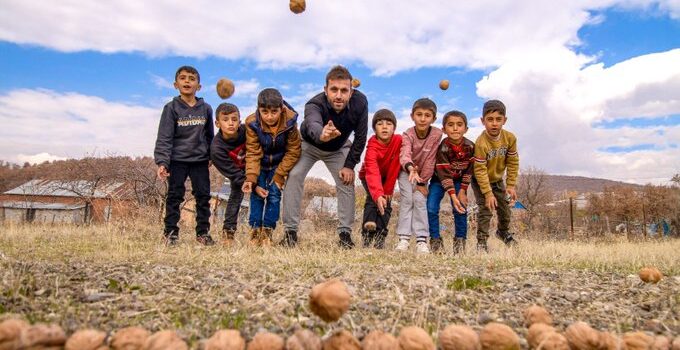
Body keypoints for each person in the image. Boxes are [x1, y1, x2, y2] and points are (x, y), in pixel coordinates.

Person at [281, 65, 368, 248]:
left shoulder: (360, 103)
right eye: (334, 89)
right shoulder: (314, 104)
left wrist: (349, 165)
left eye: (344, 90)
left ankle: (345, 234)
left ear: (351, 91)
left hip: (339, 147)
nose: (338, 95)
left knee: (346, 179)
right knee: (294, 175)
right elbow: (312, 122)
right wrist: (322, 133)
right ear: (325, 90)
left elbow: (360, 137)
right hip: (310, 144)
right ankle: (290, 232)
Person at [154, 65, 215, 246]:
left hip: (199, 161)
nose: (187, 81)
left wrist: (211, 154)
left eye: (191, 78)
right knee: (174, 196)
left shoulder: (206, 108)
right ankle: (170, 233)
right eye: (183, 78)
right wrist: (163, 162)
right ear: (175, 84)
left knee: (203, 197)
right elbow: (164, 137)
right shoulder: (171, 108)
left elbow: (210, 135)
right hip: (177, 160)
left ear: (199, 86)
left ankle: (203, 234)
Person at [242, 88, 301, 246]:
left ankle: (268, 231)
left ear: (281, 109)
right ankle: (255, 231)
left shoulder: (290, 123)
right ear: (258, 109)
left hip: (279, 164)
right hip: (259, 164)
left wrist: (280, 175)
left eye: (274, 112)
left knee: (274, 196)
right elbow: (253, 152)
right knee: (257, 195)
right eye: (264, 112)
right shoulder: (252, 123)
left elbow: (294, 151)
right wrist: (251, 178)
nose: (269, 116)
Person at [471, 99, 520, 252]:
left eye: (498, 119)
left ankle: (503, 232)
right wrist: (488, 194)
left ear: (504, 120)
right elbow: (480, 170)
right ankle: (481, 242)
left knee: (505, 209)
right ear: (482, 121)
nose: (494, 123)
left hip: (498, 180)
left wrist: (511, 185)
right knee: (486, 210)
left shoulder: (510, 138)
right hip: (481, 182)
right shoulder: (481, 143)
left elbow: (513, 162)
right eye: (490, 119)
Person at [396, 98, 443, 253]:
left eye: (427, 115)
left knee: (419, 200)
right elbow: (404, 154)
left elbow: (431, 160)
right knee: (407, 200)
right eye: (419, 114)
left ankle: (421, 240)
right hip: (406, 172)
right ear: (412, 116)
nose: (423, 119)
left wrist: (422, 182)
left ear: (434, 118)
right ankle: (403, 238)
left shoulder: (436, 134)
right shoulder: (408, 134)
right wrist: (410, 168)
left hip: (423, 175)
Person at [429, 110, 475, 254]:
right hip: (440, 180)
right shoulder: (443, 148)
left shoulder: (471, 147)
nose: (455, 128)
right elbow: (444, 174)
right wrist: (452, 196)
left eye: (459, 125)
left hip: (460, 181)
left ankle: (460, 244)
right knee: (431, 207)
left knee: (460, 208)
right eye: (451, 125)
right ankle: (436, 242)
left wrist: (462, 191)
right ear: (444, 129)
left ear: (466, 129)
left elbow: (469, 170)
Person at [358, 109, 402, 249]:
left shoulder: (398, 141)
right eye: (379, 123)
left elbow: (396, 166)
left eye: (388, 123)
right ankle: (367, 234)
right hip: (369, 176)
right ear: (374, 128)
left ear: (394, 128)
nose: (384, 126)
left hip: (388, 177)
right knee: (373, 199)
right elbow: (372, 171)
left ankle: (380, 237)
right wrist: (378, 194)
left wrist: (388, 190)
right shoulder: (372, 147)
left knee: (387, 203)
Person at [210, 103, 246, 246]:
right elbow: (234, 175)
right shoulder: (216, 148)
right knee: (235, 196)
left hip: (255, 167)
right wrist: (249, 184)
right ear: (217, 123)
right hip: (236, 172)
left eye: (234, 119)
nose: (230, 123)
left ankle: (260, 232)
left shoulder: (246, 132)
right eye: (225, 119)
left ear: (239, 121)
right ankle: (228, 233)